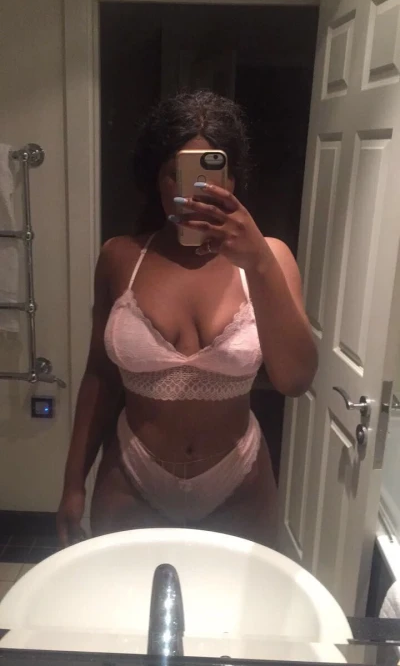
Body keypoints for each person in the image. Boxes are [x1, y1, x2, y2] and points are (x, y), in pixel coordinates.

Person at [57, 91, 317, 548]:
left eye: (207, 173)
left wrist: (257, 260)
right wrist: (73, 482)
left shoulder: (270, 258)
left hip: (239, 481)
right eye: (174, 173)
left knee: (230, 600)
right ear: (155, 179)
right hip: (131, 476)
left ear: (231, 179)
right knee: (125, 595)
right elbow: (100, 375)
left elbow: (295, 379)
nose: (189, 189)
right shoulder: (120, 257)